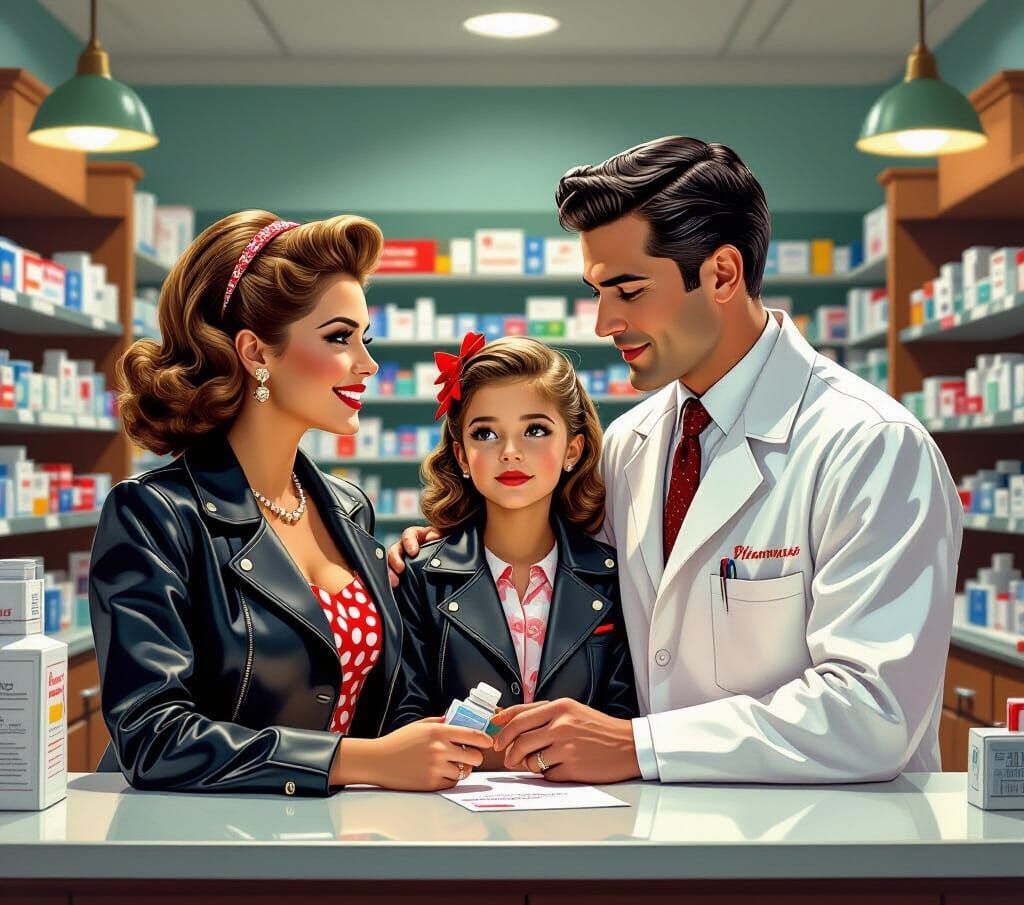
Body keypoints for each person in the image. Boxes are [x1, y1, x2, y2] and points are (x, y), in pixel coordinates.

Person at [389, 136, 963, 785]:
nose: (604, 321)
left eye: (628, 291)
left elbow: (873, 713)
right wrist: (442, 547)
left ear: (721, 274)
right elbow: (561, 558)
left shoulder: (870, 447)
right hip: (659, 838)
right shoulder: (632, 445)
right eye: (597, 291)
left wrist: (640, 746)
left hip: (824, 852)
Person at [89, 210, 491, 796]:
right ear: (256, 351)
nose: (367, 363)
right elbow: (153, 737)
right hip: (196, 850)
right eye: (338, 337)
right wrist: (362, 761)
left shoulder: (349, 510)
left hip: (334, 840)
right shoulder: (154, 516)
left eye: (364, 338)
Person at [387, 336, 637, 773]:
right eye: (485, 433)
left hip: (590, 821)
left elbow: (624, 721)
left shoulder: (613, 576)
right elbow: (403, 727)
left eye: (535, 429)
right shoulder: (418, 576)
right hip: (450, 823)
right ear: (462, 456)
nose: (510, 452)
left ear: (572, 450)